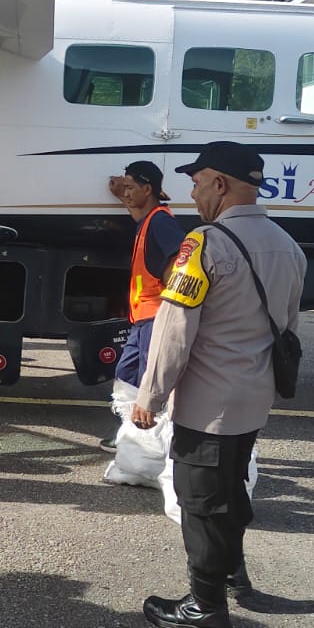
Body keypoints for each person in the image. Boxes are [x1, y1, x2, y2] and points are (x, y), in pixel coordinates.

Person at [132, 141, 306, 628]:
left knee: (202, 501)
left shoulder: (203, 244)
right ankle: (233, 573)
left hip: (208, 404)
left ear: (220, 184)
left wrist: (150, 396)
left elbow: (173, 330)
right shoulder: (287, 245)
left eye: (197, 180)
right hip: (254, 399)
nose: (192, 190)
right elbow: (288, 327)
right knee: (230, 491)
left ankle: (205, 607)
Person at [100, 160, 185, 454]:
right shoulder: (150, 217)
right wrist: (120, 194)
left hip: (156, 316)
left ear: (147, 189)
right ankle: (132, 434)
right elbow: (138, 211)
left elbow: (178, 257)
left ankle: (156, 442)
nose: (125, 193)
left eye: (131, 187)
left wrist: (172, 298)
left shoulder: (162, 221)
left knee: (151, 380)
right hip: (142, 317)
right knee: (128, 373)